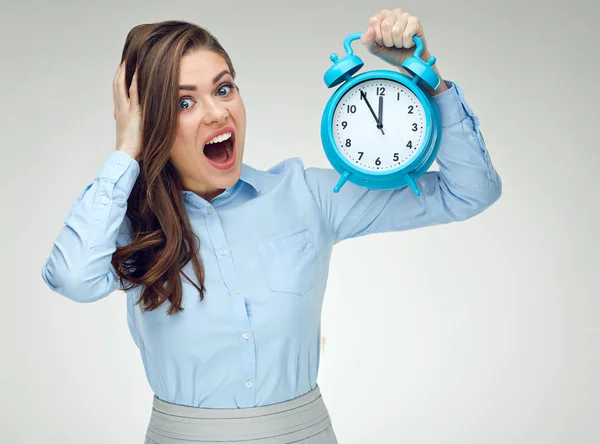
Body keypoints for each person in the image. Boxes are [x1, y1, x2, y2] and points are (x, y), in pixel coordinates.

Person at [41, 8, 502, 444]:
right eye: (185, 102)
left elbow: (468, 191)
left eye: (224, 89)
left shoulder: (309, 195)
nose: (218, 113)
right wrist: (126, 149)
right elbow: (71, 277)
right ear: (153, 122)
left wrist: (429, 80)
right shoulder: (131, 225)